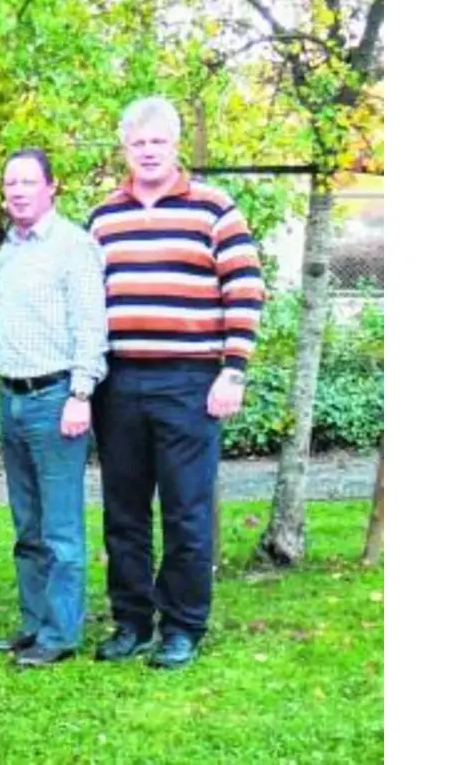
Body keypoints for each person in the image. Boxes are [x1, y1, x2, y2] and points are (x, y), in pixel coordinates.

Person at [86, 96, 265, 670]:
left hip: (189, 381)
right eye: (138, 143)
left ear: (175, 144)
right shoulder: (103, 216)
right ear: (125, 149)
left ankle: (184, 625)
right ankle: (132, 621)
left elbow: (245, 288)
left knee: (187, 510)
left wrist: (232, 370)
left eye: (157, 142)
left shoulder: (214, 208)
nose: (148, 152)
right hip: (119, 382)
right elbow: (89, 300)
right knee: (124, 511)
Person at [0, 148, 108, 668]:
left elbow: (90, 324)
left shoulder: (73, 246)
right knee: (27, 524)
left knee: (60, 528)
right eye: (10, 183)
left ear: (51, 187)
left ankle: (60, 633)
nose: (17, 191)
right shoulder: (11, 247)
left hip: (56, 398)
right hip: (11, 398)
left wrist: (81, 393)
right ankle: (34, 622)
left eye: (28, 182)